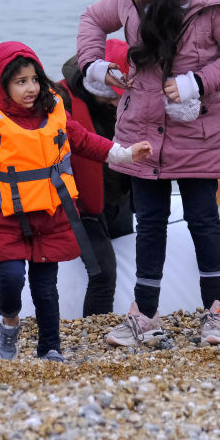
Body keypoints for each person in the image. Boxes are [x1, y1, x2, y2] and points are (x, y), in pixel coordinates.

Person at [76, 0, 220, 348]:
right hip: (141, 131)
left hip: (198, 132)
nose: (135, 2)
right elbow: (91, 19)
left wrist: (198, 81)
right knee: (150, 224)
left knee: (203, 221)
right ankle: (144, 316)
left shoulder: (213, 7)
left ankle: (215, 315)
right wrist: (95, 67)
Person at [0, 41, 152, 362]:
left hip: (50, 215)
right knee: (11, 277)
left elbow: (84, 141)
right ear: (2, 85)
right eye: (20, 81)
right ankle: (9, 322)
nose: (30, 88)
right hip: (4, 217)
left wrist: (124, 153)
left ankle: (50, 348)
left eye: (34, 79)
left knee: (45, 288)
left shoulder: (53, 110)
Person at [55, 39, 134, 317]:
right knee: (104, 275)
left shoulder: (128, 94)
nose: (117, 101)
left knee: (128, 266)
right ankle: (95, 335)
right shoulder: (59, 100)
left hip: (120, 198)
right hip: (80, 207)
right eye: (113, 95)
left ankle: (126, 320)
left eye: (121, 95)